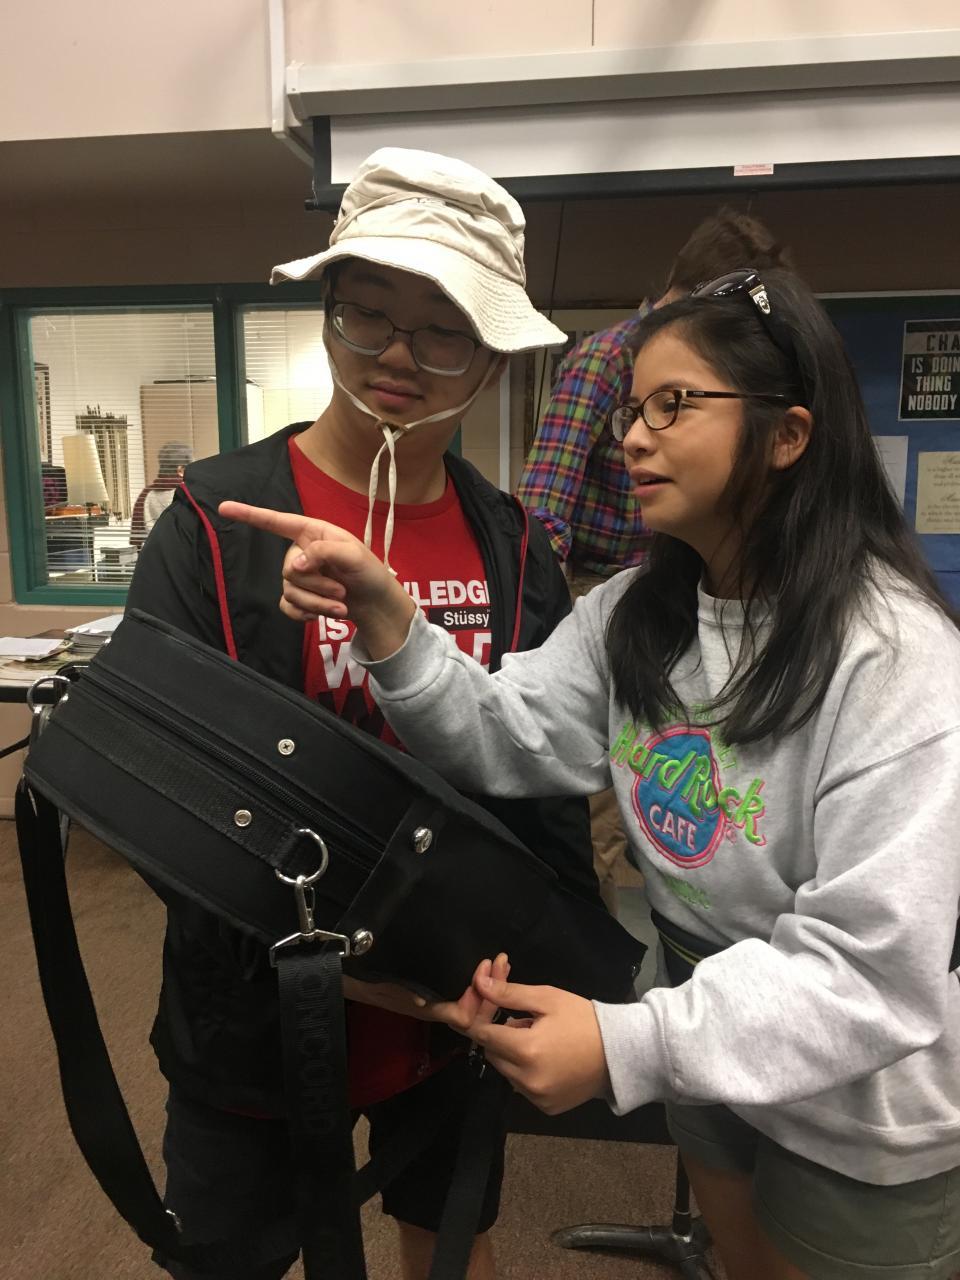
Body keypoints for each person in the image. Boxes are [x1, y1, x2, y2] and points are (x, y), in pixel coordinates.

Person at [226, 267, 960, 1280]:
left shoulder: (894, 656)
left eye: (674, 405)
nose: (632, 439)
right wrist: (388, 613)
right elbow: (504, 731)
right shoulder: (633, 613)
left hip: (859, 1094)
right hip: (710, 1037)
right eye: (631, 409)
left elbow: (873, 969)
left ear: (788, 435)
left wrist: (628, 1044)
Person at [126, 147, 597, 1280]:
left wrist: (543, 963)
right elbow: (158, 792)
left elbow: (542, 782)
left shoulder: (512, 545)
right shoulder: (216, 522)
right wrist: (339, 965)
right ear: (329, 310)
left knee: (452, 1249)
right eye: (369, 313)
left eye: (443, 333)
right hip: (254, 1012)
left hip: (456, 1014)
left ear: (491, 355)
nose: (397, 355)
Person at [517, 208, 793, 914]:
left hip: (678, 589)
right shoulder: (607, 359)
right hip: (601, 592)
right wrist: (560, 618)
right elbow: (543, 506)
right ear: (688, 293)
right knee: (601, 825)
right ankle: (599, 953)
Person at [130, 440, 193, 547]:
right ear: (181, 469)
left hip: (154, 551)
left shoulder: (146, 494)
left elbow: (136, 538)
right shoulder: (189, 492)